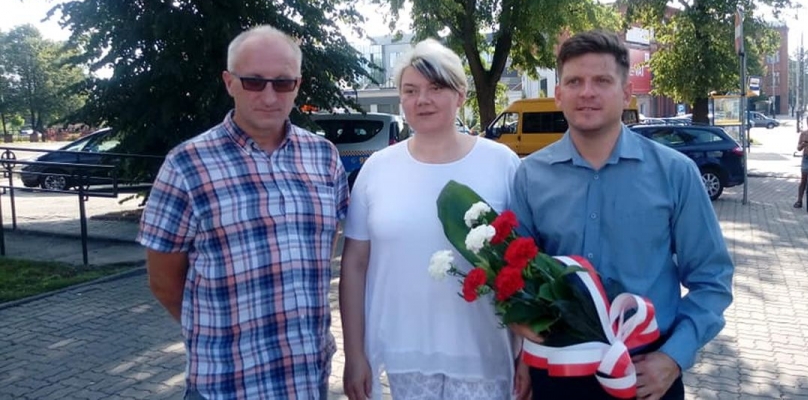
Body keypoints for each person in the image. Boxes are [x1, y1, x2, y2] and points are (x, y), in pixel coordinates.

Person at [510, 29, 734, 400]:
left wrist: (674, 357)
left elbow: (712, 279)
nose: (587, 92)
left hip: (647, 375)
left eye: (602, 81)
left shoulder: (675, 173)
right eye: (575, 82)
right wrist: (524, 343)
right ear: (559, 94)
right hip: (557, 373)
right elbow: (515, 276)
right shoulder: (530, 176)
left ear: (626, 92)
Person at [138, 25, 349, 400]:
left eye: (282, 83)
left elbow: (324, 248)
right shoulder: (187, 164)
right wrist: (216, 331)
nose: (269, 96)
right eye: (253, 82)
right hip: (227, 383)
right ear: (229, 82)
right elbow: (164, 281)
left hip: (306, 377)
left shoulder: (323, 156)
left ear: (298, 85)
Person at [339, 39, 527, 400]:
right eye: (410, 90)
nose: (422, 99)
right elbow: (355, 265)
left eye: (436, 87)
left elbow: (524, 262)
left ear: (461, 95)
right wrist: (354, 353)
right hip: (406, 353)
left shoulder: (501, 163)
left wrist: (530, 354)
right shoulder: (377, 169)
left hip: (484, 351)